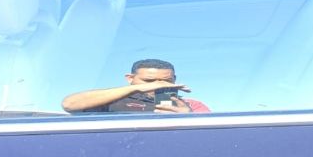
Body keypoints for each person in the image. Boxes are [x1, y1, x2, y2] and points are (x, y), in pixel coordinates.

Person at [62, 58, 210, 115]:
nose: (158, 85)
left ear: (174, 80)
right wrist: (135, 89)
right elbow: (69, 104)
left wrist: (188, 117)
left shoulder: (191, 105)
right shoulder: (110, 101)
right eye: (149, 81)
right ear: (130, 78)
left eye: (166, 81)